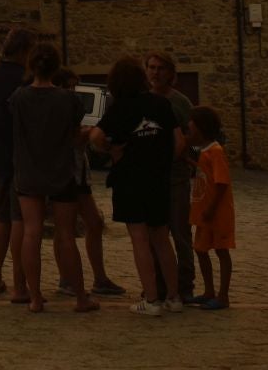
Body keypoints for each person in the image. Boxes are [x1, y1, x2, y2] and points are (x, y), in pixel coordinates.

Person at [89, 55, 182, 316]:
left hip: (130, 180)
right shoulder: (161, 103)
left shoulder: (119, 109)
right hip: (158, 179)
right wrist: (163, 160)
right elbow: (179, 141)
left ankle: (151, 299)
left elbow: (95, 136)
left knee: (139, 238)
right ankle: (174, 296)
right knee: (162, 238)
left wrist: (110, 149)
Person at [9, 43, 95, 313]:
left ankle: (35, 297)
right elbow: (74, 136)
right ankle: (80, 297)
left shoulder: (19, 97)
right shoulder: (68, 100)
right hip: (61, 171)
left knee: (31, 232)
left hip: (29, 171)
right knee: (66, 235)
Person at [52, 68, 123, 299]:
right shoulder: (55, 108)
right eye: (69, 86)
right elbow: (66, 139)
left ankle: (99, 278)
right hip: (65, 173)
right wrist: (86, 134)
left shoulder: (72, 107)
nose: (73, 90)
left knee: (94, 223)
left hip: (79, 173)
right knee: (65, 228)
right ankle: (67, 278)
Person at [0, 29, 34, 301]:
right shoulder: (25, 80)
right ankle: (19, 285)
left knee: (1, 218)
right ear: (25, 51)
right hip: (23, 159)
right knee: (19, 221)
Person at [145, 50, 196, 305]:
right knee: (154, 234)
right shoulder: (142, 100)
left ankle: (184, 285)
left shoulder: (180, 103)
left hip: (175, 177)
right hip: (150, 177)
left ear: (170, 73)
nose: (156, 73)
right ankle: (158, 285)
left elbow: (192, 136)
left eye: (161, 68)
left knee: (180, 233)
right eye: (152, 67)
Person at [187, 105, 235, 310]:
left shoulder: (216, 152)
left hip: (216, 213)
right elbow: (204, 172)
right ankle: (208, 291)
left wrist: (212, 208)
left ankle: (223, 296)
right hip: (204, 213)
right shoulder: (204, 152)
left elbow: (222, 183)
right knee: (200, 250)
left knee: (222, 251)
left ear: (200, 128)